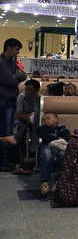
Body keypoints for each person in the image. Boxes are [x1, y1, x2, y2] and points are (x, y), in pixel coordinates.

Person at [0, 39, 27, 171]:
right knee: (4, 131)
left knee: (9, 130)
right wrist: (15, 77)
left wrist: (16, 76)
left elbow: (23, 75)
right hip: (3, 99)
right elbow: (9, 80)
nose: (18, 53)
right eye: (16, 49)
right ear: (9, 48)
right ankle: (2, 162)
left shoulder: (11, 62)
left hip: (11, 99)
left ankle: (6, 160)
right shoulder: (1, 62)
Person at [11, 79, 42, 175]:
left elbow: (40, 116)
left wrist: (32, 117)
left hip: (35, 122)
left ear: (36, 90)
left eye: (29, 90)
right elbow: (18, 115)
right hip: (23, 120)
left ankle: (17, 140)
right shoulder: (21, 97)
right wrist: (29, 117)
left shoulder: (41, 99)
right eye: (25, 89)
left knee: (36, 125)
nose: (26, 92)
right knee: (16, 122)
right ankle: (18, 146)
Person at [38, 113, 69, 195]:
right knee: (46, 154)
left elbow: (66, 136)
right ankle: (44, 182)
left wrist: (52, 137)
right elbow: (43, 137)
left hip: (60, 146)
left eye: (48, 118)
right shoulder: (42, 128)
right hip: (47, 146)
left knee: (63, 154)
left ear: (56, 120)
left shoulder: (62, 127)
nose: (46, 120)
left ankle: (59, 181)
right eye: (44, 120)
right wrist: (56, 137)